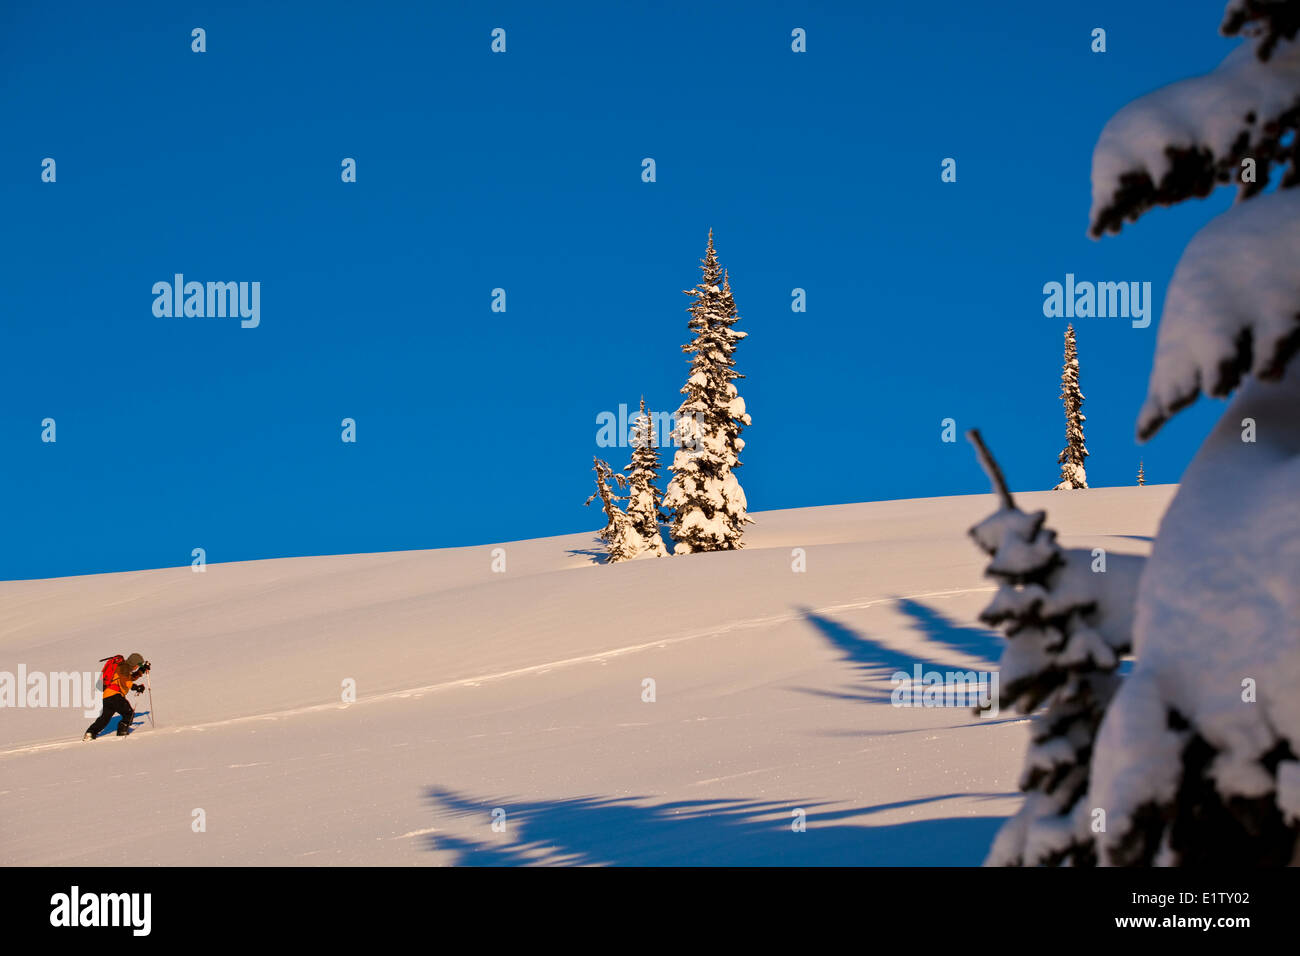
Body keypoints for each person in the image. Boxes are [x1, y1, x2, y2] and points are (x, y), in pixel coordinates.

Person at [83, 653, 150, 740]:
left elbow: (130, 678)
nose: (137, 667)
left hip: (107, 697)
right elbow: (125, 681)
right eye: (138, 665)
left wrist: (143, 669)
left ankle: (90, 733)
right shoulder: (123, 667)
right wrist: (136, 687)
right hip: (115, 695)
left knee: (104, 719)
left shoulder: (124, 668)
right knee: (128, 713)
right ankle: (122, 731)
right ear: (134, 663)